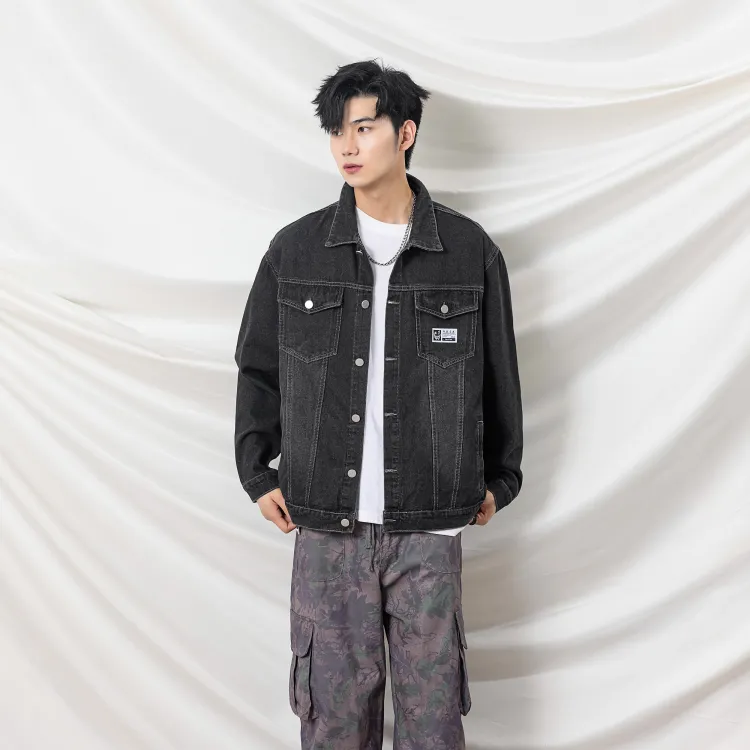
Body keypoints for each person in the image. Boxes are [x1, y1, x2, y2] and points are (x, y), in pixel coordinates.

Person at [234, 58, 523, 749]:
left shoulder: (468, 252)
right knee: (334, 725)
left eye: (364, 128)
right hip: (326, 527)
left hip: (430, 529)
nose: (348, 146)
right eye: (337, 131)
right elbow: (258, 367)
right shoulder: (296, 251)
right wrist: (257, 472)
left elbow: (499, 378)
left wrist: (499, 480)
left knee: (432, 724)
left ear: (405, 133)